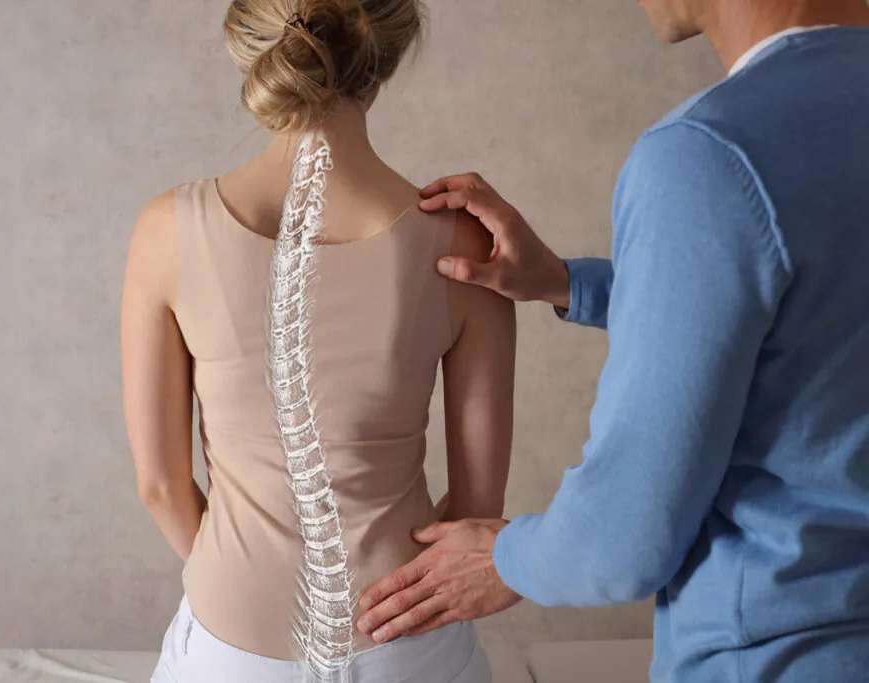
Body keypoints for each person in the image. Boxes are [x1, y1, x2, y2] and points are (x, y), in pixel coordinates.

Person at [355, 1, 869, 681]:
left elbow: (623, 541)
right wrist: (570, 283)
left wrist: (507, 558)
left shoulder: (710, 155)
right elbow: (820, 321)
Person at [120, 1, 515, 681]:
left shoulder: (167, 230)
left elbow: (160, 484)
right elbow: (479, 508)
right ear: (385, 52)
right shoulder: (467, 241)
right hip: (402, 639)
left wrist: (237, 575)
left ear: (257, 45)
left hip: (228, 646)